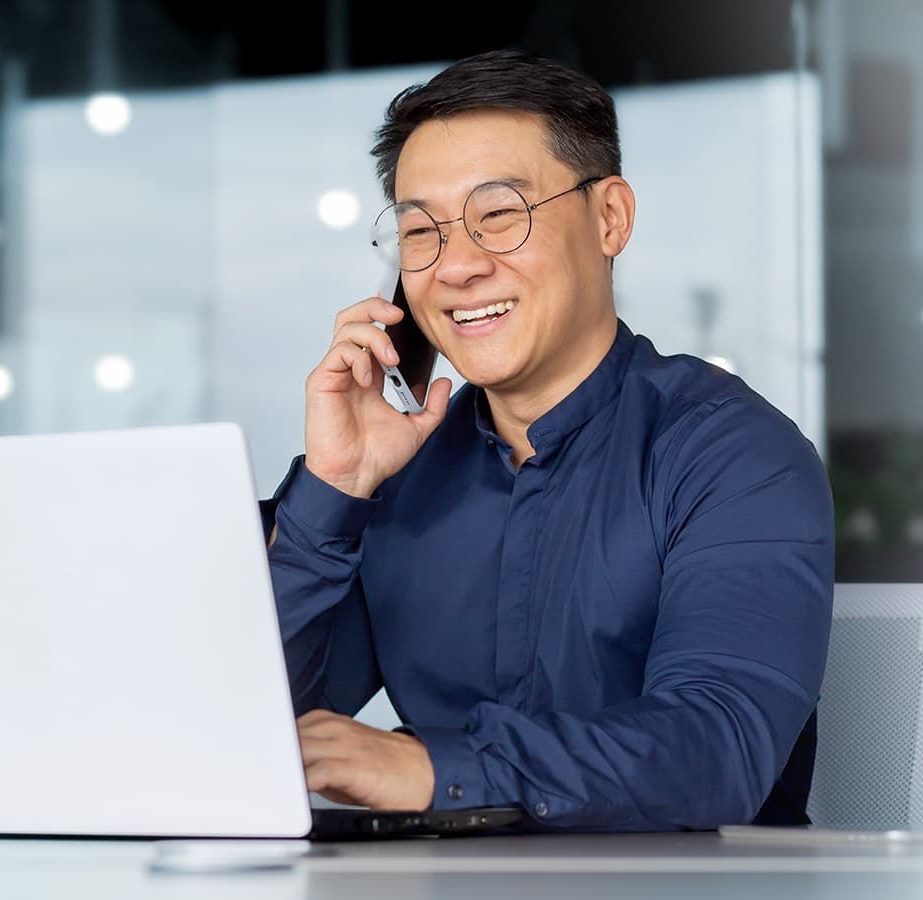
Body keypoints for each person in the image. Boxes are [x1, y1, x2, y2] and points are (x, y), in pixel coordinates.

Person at [259, 49, 833, 831]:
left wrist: (431, 768)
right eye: (420, 231)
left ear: (610, 218)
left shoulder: (732, 455)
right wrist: (335, 492)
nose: (456, 265)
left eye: (499, 215)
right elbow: (250, 724)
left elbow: (715, 750)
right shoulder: (398, 473)